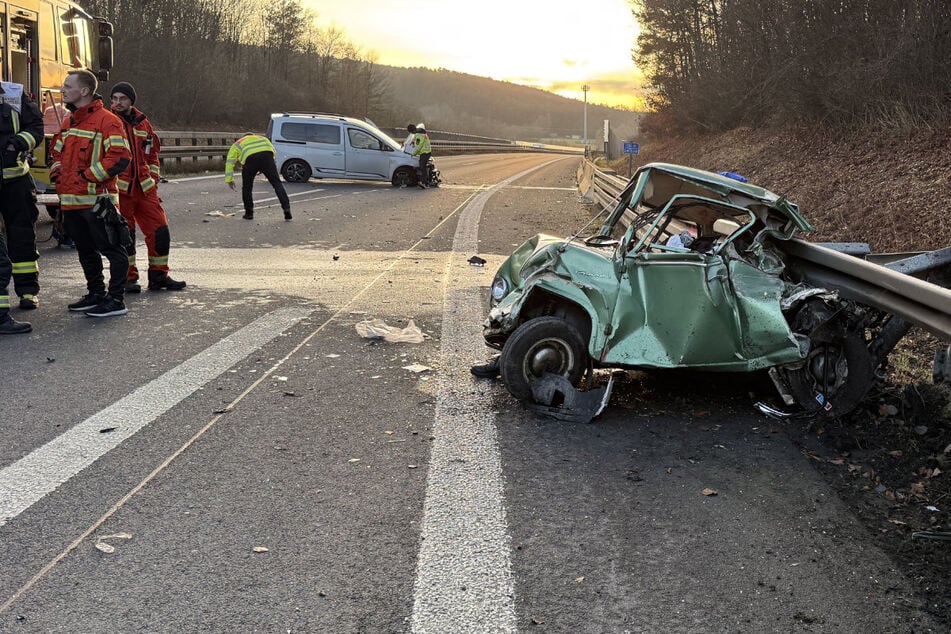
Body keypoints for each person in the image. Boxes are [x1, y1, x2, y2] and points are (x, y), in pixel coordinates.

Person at [49, 69, 132, 318]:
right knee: (85, 249)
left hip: (98, 200)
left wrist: (87, 178)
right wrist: (57, 175)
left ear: (84, 91)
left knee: (112, 249)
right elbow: (57, 154)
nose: (63, 89)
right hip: (71, 201)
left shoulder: (108, 121)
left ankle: (116, 299)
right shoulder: (69, 121)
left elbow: (120, 157)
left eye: (67, 86)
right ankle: (96, 293)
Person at [109, 82, 186, 292]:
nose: (117, 103)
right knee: (126, 235)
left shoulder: (143, 123)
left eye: (122, 99)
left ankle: (159, 276)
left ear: (131, 101)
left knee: (160, 231)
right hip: (120, 190)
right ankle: (128, 278)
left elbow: (152, 154)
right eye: (114, 99)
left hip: (144, 188)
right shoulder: (109, 122)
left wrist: (152, 176)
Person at [0, 80, 43, 310]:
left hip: (15, 180)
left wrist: (16, 143)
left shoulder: (14, 94)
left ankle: (27, 291)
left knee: (22, 235)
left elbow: (36, 128)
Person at [224, 134, 291, 220]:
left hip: (250, 159)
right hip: (267, 157)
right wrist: (266, 166)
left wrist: (229, 179)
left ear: (244, 137)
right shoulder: (263, 138)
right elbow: (273, 151)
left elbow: (230, 162)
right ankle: (287, 209)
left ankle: (249, 214)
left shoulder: (238, 143)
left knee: (247, 187)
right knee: (277, 184)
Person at [412, 122, 432, 188]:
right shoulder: (422, 133)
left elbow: (418, 146)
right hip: (427, 152)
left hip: (425, 153)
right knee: (423, 167)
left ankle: (424, 183)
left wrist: (413, 153)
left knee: (422, 167)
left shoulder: (419, 135)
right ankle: (426, 182)